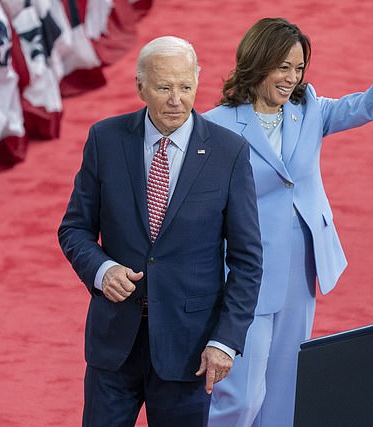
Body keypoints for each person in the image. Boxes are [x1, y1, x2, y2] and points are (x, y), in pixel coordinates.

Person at [204, 18, 373, 427]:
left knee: (285, 392)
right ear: (256, 63)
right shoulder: (216, 125)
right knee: (241, 397)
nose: (292, 78)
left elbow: (363, 106)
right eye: (282, 67)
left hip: (301, 268)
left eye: (299, 67)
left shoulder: (309, 110)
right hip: (245, 274)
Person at [58, 36, 262, 427]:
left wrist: (225, 342)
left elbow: (247, 261)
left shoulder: (229, 152)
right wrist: (102, 271)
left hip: (189, 351)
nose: (176, 100)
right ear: (140, 87)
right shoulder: (105, 139)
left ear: (197, 83)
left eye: (185, 87)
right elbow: (75, 229)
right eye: (165, 87)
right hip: (114, 346)